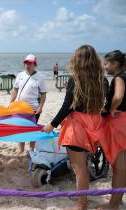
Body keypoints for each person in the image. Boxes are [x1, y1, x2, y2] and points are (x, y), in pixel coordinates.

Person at [43, 45, 106, 210]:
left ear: (78, 59)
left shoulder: (75, 79)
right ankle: (82, 198)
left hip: (77, 126)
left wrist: (52, 124)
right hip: (94, 123)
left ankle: (81, 205)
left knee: (80, 169)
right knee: (83, 166)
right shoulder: (102, 79)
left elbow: (67, 106)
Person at [99, 50, 126, 210]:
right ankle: (119, 199)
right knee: (123, 166)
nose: (104, 66)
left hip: (119, 123)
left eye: (106, 63)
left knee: (119, 167)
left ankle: (114, 204)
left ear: (115, 64)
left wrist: (111, 109)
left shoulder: (118, 78)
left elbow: (118, 96)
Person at [10, 54, 47, 155]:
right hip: (19, 107)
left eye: (30, 63)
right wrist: (11, 103)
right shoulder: (20, 75)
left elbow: (43, 94)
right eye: (26, 62)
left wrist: (41, 107)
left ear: (34, 64)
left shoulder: (40, 77)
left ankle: (31, 148)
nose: (27, 65)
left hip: (33, 108)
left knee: (32, 129)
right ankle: (21, 148)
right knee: (20, 128)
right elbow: (15, 89)